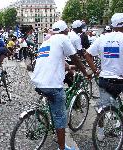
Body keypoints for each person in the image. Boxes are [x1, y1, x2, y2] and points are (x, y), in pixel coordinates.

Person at [31, 20, 90, 150]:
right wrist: (85, 72)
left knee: (54, 108)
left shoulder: (47, 42)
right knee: (60, 117)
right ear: (65, 31)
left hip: (38, 81)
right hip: (52, 85)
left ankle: (51, 123)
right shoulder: (63, 38)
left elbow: (56, 60)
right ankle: (62, 148)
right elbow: (75, 57)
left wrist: (69, 67)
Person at [85, 13, 123, 141]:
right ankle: (118, 123)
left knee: (103, 106)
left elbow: (87, 54)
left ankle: (100, 133)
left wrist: (96, 71)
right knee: (116, 101)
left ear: (112, 25)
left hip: (105, 79)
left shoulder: (102, 38)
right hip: (120, 80)